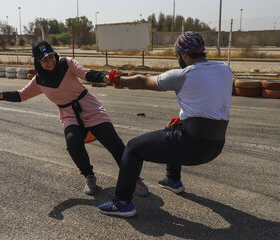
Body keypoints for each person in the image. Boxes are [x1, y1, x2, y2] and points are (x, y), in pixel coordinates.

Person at [98, 32, 233, 217]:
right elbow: (211, 98)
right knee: (172, 128)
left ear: (183, 55)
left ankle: (121, 202)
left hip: (193, 148)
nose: (178, 59)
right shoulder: (225, 70)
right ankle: (173, 180)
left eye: (177, 55)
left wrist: (118, 80)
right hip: (216, 146)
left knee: (132, 147)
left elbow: (143, 81)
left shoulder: (182, 75)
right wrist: (186, 119)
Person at [0, 41, 148, 197]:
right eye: (44, 60)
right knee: (72, 142)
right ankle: (89, 176)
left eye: (51, 56)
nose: (50, 62)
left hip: (89, 107)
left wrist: (108, 77)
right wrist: (0, 95)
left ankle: (133, 178)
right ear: (37, 62)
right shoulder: (39, 81)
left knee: (113, 142)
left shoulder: (67, 63)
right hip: (69, 114)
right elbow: (21, 95)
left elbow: (87, 73)